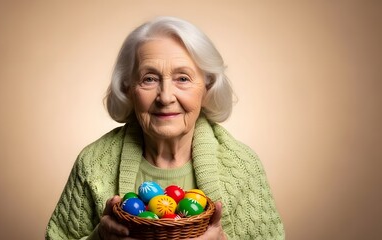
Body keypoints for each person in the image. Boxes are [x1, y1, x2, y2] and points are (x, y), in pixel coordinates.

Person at [45, 16, 284, 240]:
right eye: (149, 78)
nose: (166, 97)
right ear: (128, 88)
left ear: (207, 87)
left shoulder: (242, 167)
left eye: (183, 78)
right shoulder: (93, 164)